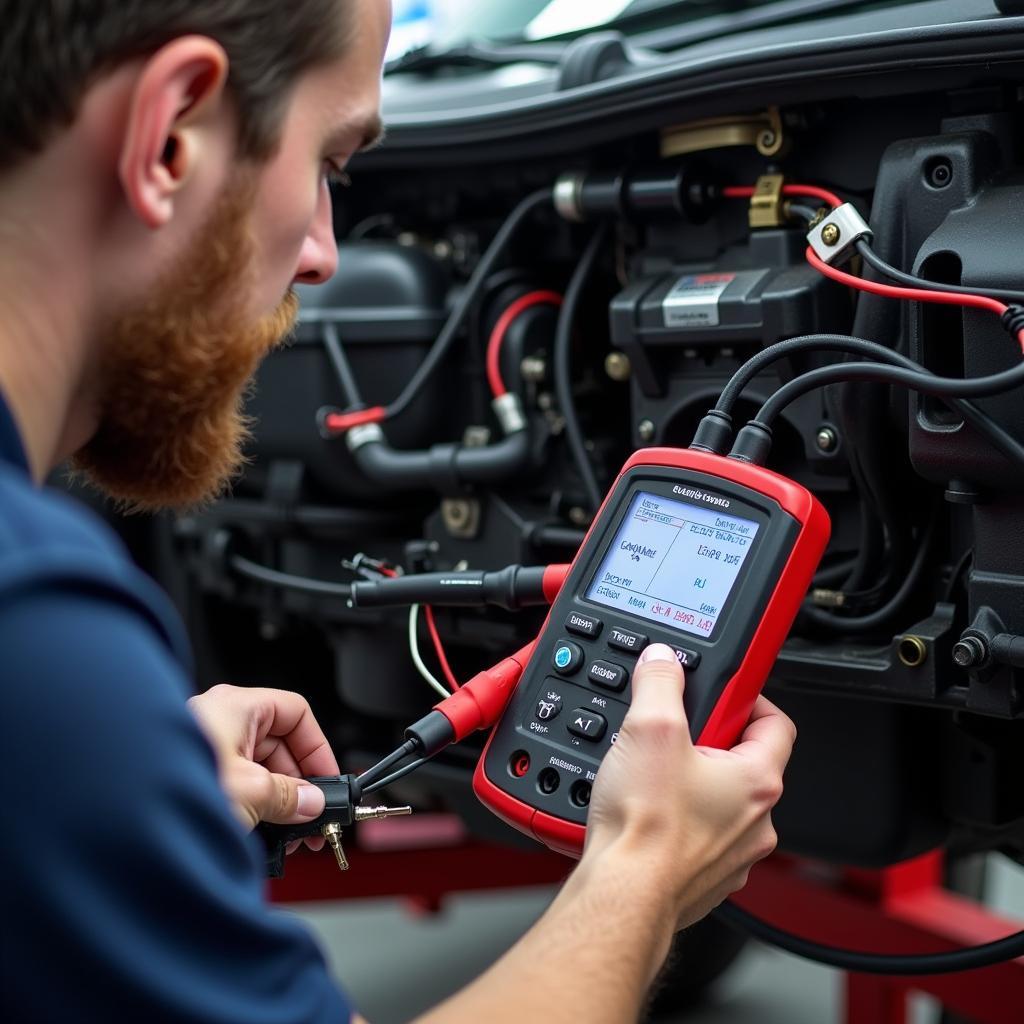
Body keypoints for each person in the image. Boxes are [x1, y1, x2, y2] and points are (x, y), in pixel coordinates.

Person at [0, 2, 796, 1021]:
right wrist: (642, 874)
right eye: (330, 166)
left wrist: (120, 785)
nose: (326, 253)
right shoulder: (35, 635)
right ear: (169, 136)